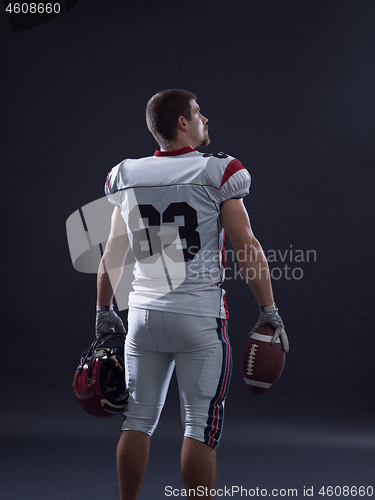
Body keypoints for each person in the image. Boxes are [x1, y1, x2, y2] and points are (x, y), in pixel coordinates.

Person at [95, 89, 289, 500]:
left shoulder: (127, 173)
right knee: (200, 423)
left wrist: (102, 309)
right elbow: (247, 246)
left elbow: (113, 251)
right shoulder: (216, 172)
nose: (205, 120)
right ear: (182, 122)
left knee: (137, 419)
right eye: (198, 113)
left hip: (142, 316)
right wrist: (268, 309)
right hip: (197, 318)